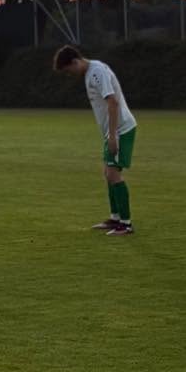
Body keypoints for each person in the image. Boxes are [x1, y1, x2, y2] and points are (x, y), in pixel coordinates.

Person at [53, 44, 138, 235]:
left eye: (69, 70)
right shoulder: (91, 71)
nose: (70, 74)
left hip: (121, 129)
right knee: (108, 174)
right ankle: (115, 218)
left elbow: (113, 102)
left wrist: (114, 135)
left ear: (75, 61)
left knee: (114, 174)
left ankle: (126, 224)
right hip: (112, 131)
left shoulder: (97, 72)